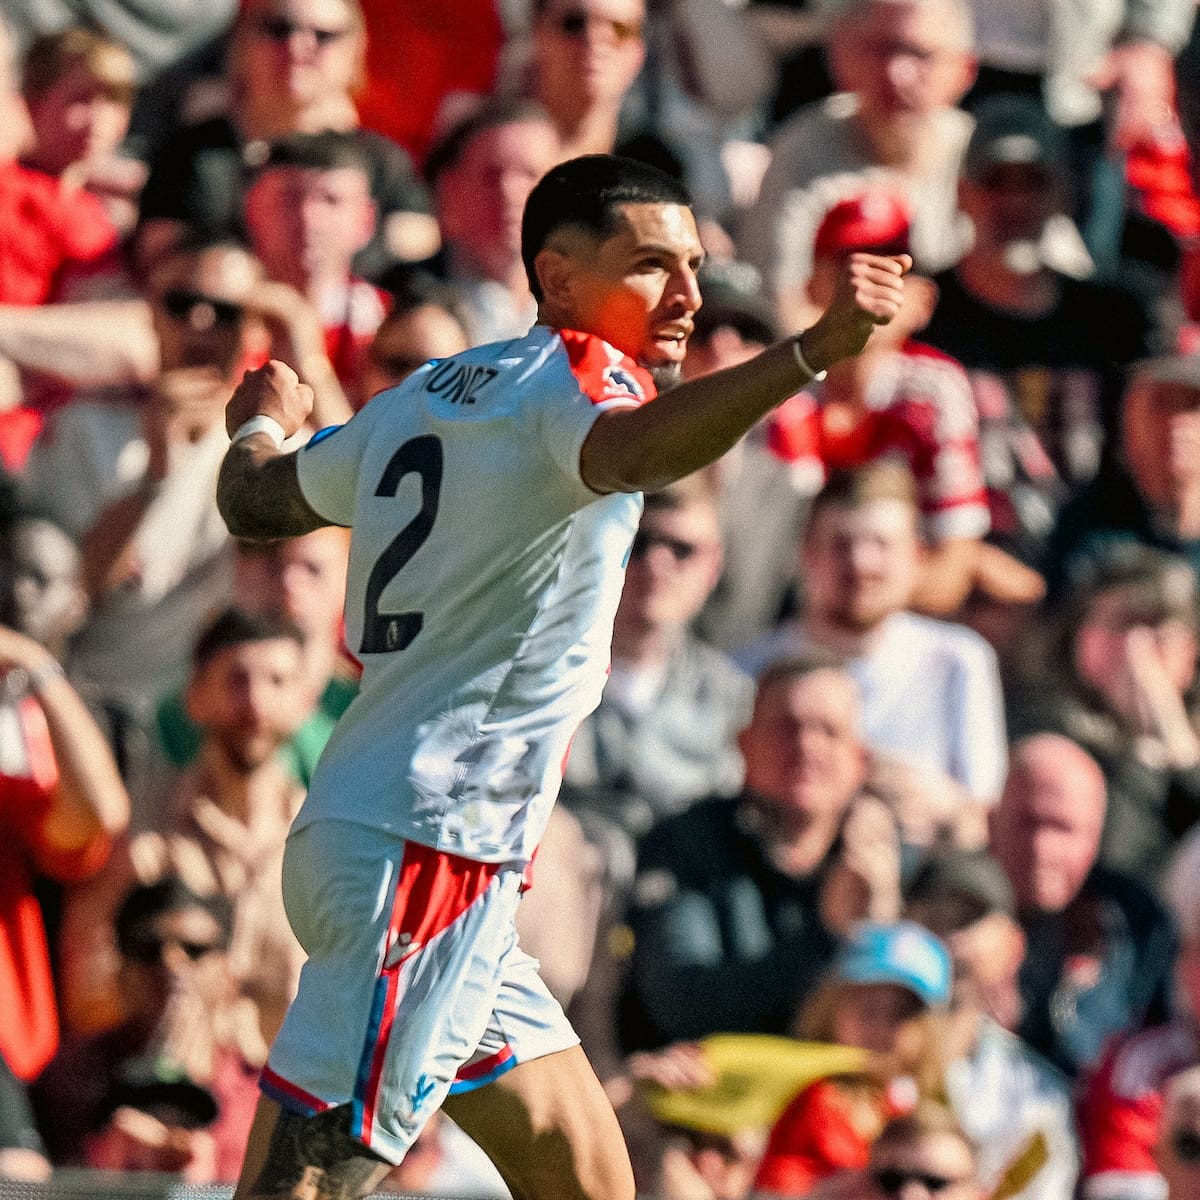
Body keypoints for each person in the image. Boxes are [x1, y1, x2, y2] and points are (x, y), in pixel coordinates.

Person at [214, 152, 909, 1200]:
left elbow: (256, 499)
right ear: (558, 278)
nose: (683, 296)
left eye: (694, 267)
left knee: (586, 1181)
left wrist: (263, 423)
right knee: (312, 1181)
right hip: (428, 847)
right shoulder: (585, 370)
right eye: (650, 267)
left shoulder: (419, 398)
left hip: (405, 839)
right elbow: (633, 454)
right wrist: (810, 352)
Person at [622, 653, 900, 1052]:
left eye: (829, 731)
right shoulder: (688, 841)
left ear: (862, 760)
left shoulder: (890, 856)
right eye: (786, 728)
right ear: (743, 746)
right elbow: (682, 1005)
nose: (806, 745)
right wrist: (827, 937)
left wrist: (885, 921)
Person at [920, 94, 1151, 567]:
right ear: (962, 194)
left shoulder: (1117, 320)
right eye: (996, 181)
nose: (1015, 201)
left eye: (1034, 182)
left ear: (1063, 195)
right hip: (958, 570)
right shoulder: (924, 315)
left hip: (1090, 564)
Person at [738, 462, 1008, 807]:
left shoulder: (959, 661)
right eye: (841, 543)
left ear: (917, 557)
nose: (861, 562)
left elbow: (982, 811)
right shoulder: (745, 672)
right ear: (806, 554)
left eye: (881, 544)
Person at [739, 0, 978, 330]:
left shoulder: (988, 159)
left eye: (920, 54)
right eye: (881, 50)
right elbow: (770, 311)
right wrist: (890, 328)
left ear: (965, 70)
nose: (897, 75)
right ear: (840, 54)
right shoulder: (803, 149)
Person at [989, 732, 1175, 1078]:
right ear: (991, 820)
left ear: (1094, 836)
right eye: (1027, 822)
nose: (1041, 847)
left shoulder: (1136, 925)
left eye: (1062, 828)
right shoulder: (952, 907)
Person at [903, 851, 1079, 1200]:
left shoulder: (1040, 1096)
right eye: (933, 920)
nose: (949, 939)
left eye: (966, 921)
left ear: (1013, 946)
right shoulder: (858, 1062)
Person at [752, 919, 953, 1196]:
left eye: (901, 1014)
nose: (881, 1026)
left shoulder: (925, 1104)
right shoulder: (806, 1096)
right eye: (868, 1008)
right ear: (830, 1007)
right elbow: (775, 1189)